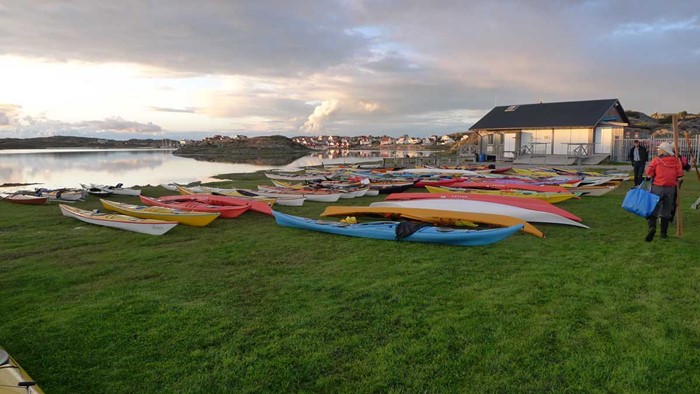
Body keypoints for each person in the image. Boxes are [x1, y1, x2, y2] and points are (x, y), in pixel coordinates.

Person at [644, 142, 683, 241]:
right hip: (670, 188)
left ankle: (652, 227)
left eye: (660, 149)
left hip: (657, 187)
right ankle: (663, 233)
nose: (658, 150)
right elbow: (680, 175)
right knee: (666, 210)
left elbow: (649, 173)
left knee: (654, 208)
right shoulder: (676, 161)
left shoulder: (656, 160)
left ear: (663, 150)